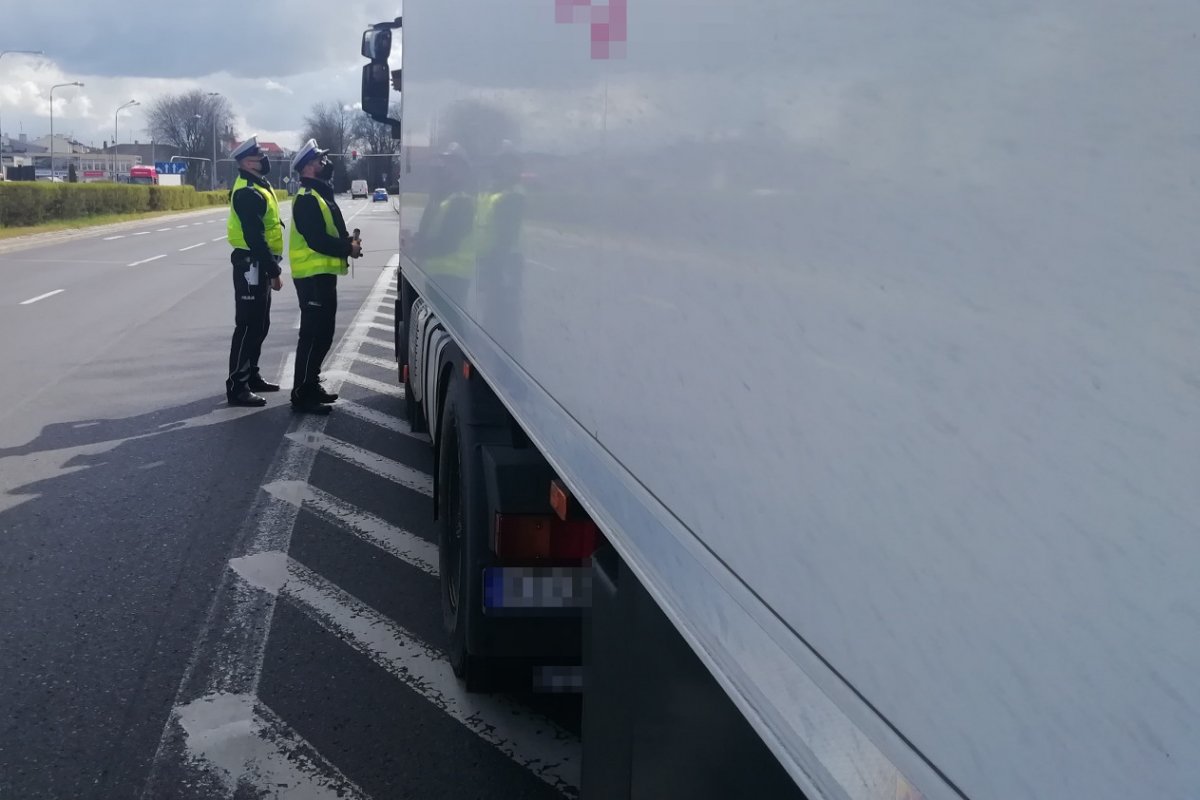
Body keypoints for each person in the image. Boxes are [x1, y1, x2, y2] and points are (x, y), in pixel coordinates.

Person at [288, 139, 361, 414]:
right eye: (321, 160)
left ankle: (311, 383)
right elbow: (317, 239)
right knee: (313, 335)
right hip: (312, 277)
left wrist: (347, 242)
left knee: (324, 334)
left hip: (323, 275)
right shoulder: (307, 198)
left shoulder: (320, 194)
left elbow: (329, 232)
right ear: (308, 167)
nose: (326, 163)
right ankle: (302, 393)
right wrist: (347, 248)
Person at [225, 135, 285, 406]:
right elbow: (254, 236)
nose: (264, 160)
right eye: (259, 157)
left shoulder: (258, 185)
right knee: (248, 325)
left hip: (258, 262)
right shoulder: (248, 191)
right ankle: (237, 385)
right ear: (246, 163)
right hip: (250, 263)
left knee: (261, 324)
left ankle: (251, 375)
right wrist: (274, 271)